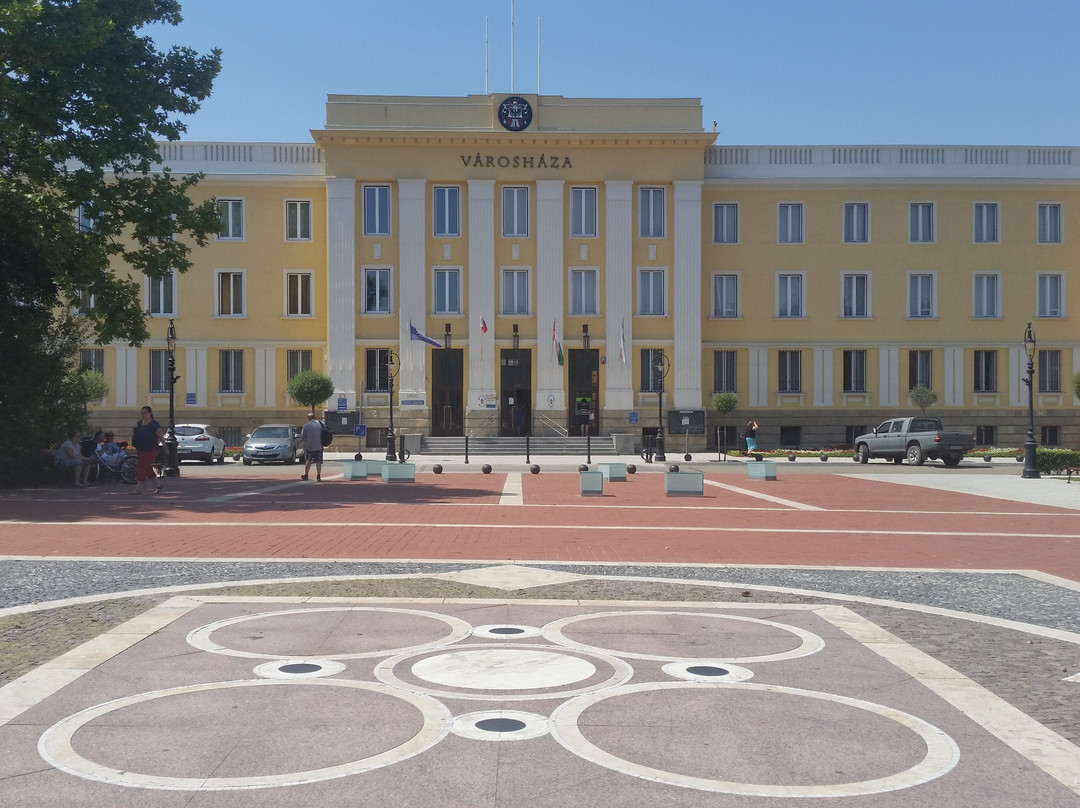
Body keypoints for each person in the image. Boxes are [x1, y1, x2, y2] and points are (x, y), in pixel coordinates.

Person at [131, 406, 165, 494]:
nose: (143, 415)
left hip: (150, 449)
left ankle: (138, 489)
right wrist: (134, 429)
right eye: (142, 413)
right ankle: (159, 484)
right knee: (147, 468)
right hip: (141, 449)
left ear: (150, 413)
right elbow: (136, 435)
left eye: (145, 413)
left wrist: (166, 448)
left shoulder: (154, 424)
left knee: (141, 467)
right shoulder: (139, 423)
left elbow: (161, 437)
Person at [299, 412, 324, 481]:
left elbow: (302, 437)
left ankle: (306, 475)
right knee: (318, 462)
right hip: (319, 446)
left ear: (308, 418)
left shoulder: (306, 426)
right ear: (314, 417)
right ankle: (318, 476)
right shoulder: (320, 425)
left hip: (309, 446)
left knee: (308, 461)